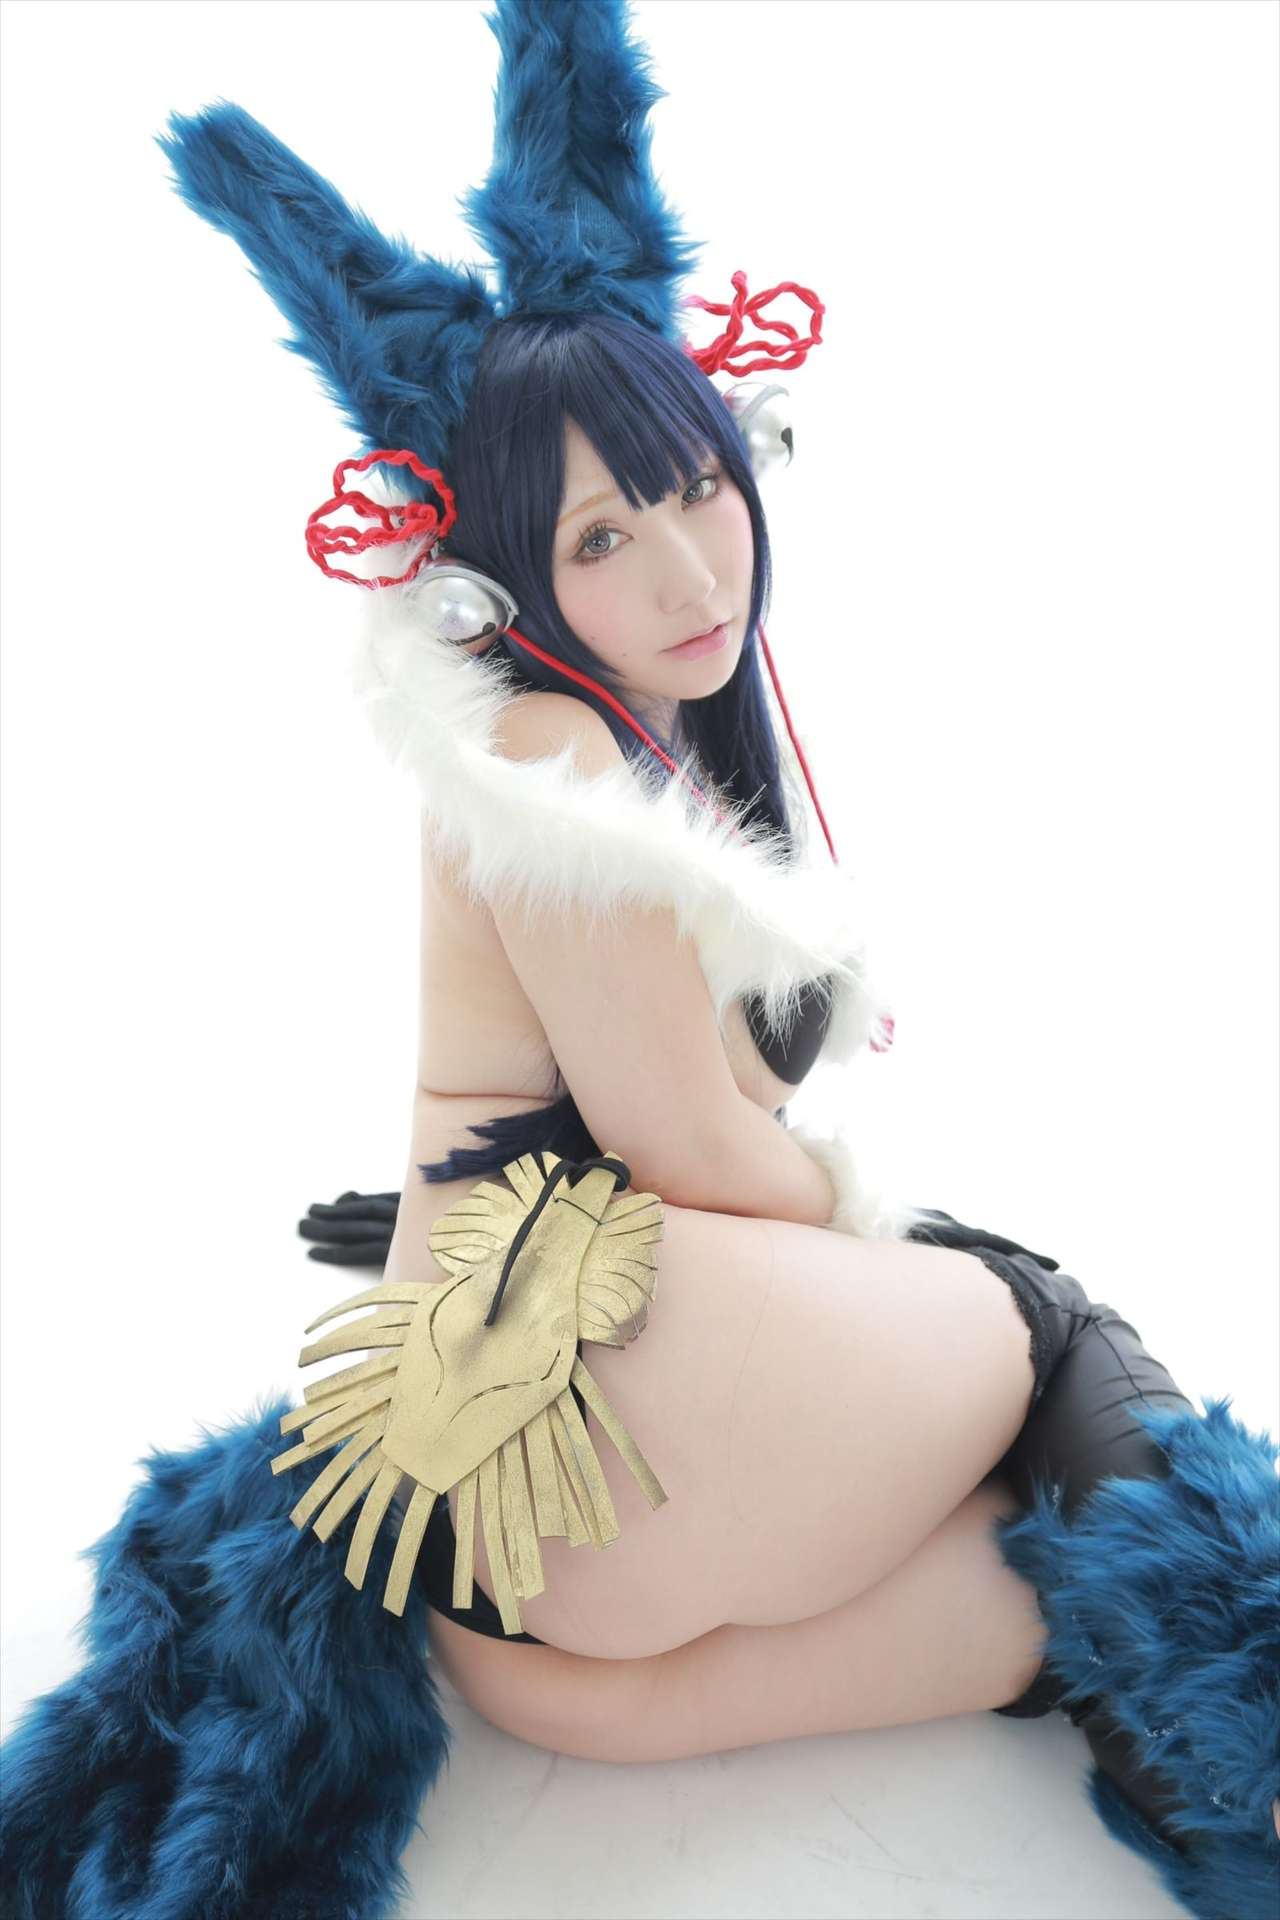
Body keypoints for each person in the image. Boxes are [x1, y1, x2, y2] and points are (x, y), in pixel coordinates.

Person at [1, 5, 1276, 1918]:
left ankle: (1076, 1651)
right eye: (603, 537)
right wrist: (895, 1249)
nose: (691, 573)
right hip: (586, 1391)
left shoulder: (616, 733)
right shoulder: (551, 753)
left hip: (504, 1545)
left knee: (634, 1692)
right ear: (506, 568)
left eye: (694, 487)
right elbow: (687, 1147)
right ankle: (1233, 1695)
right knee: (1038, 1321)